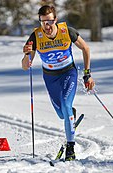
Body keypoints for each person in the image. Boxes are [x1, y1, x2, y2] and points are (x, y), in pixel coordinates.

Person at [21, 5, 95, 161]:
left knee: (66, 105)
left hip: (68, 73)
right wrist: (27, 58)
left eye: (49, 22)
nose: (46, 26)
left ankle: (70, 148)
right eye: (43, 22)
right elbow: (25, 64)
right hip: (50, 78)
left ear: (55, 19)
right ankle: (70, 117)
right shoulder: (36, 36)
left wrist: (87, 74)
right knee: (62, 114)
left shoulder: (66, 31)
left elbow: (86, 48)